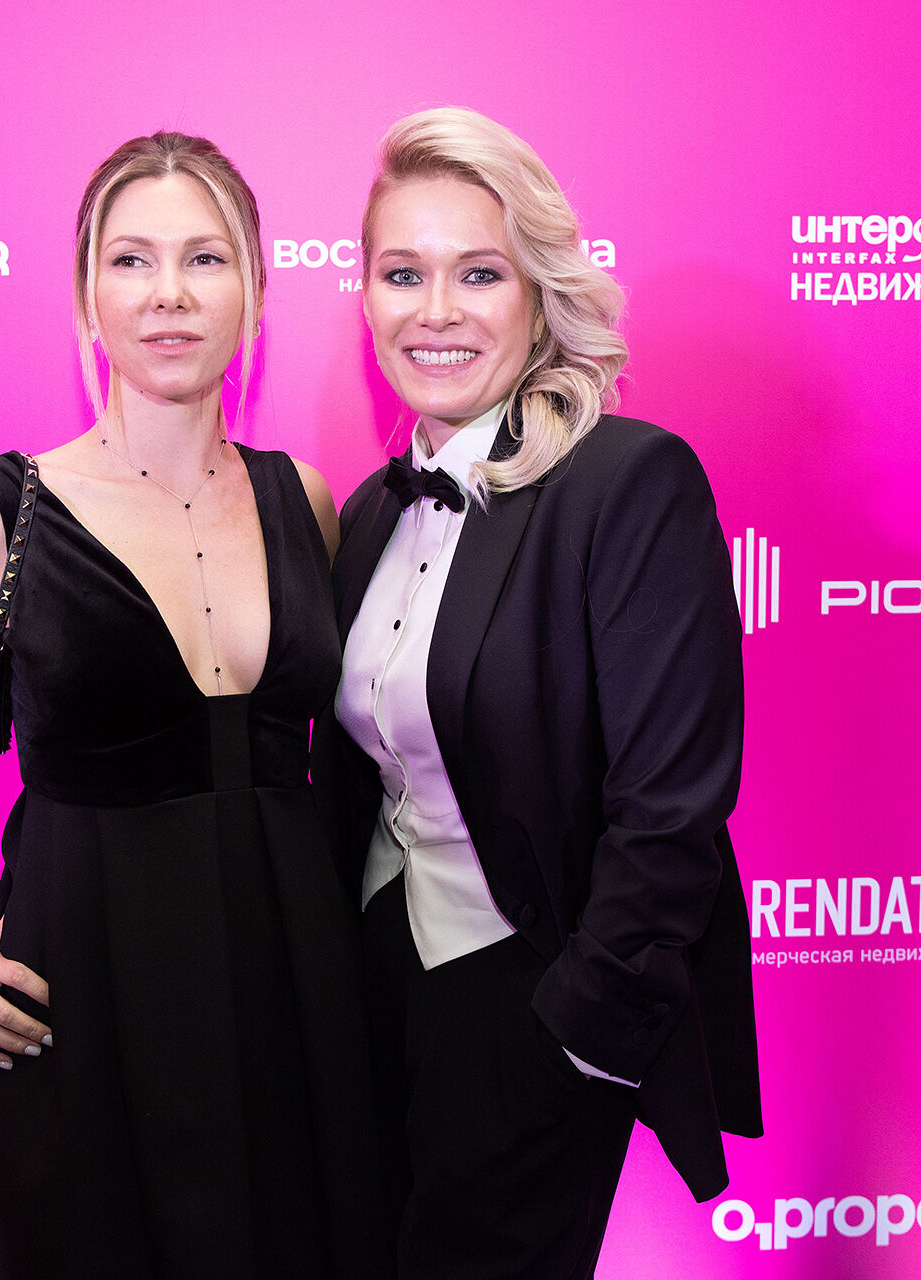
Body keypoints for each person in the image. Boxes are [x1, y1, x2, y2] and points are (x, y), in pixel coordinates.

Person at [0, 131, 384, 1280]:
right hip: (92, 1006)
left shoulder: (302, 498)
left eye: (205, 258)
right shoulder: (0, 512)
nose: (169, 294)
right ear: (85, 295)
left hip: (294, 995)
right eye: (132, 260)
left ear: (256, 291)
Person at [313, 107, 763, 1278]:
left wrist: (582, 1036)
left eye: (479, 273)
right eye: (403, 274)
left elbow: (671, 806)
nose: (437, 311)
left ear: (539, 294)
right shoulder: (367, 513)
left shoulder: (628, 481)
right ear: (365, 298)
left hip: (531, 1006)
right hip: (377, 998)